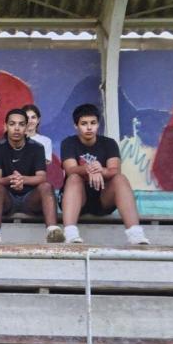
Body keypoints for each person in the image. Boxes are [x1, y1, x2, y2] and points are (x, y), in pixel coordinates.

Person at [59, 104, 150, 245]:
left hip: (103, 198)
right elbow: (70, 169)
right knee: (74, 178)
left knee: (120, 179)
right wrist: (89, 169)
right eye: (84, 124)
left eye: (93, 123)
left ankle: (135, 233)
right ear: (75, 126)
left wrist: (101, 170)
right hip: (76, 198)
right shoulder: (69, 143)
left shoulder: (109, 143)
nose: (89, 128)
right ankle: (70, 233)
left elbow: (114, 170)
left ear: (98, 124)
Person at [0, 109, 63, 243]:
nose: (17, 128)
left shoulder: (37, 147)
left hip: (30, 199)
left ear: (26, 127)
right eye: (12, 124)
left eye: (21, 124)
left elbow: (41, 177)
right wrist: (12, 179)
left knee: (46, 186)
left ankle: (53, 231)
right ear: (5, 126)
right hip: (8, 199)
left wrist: (22, 179)